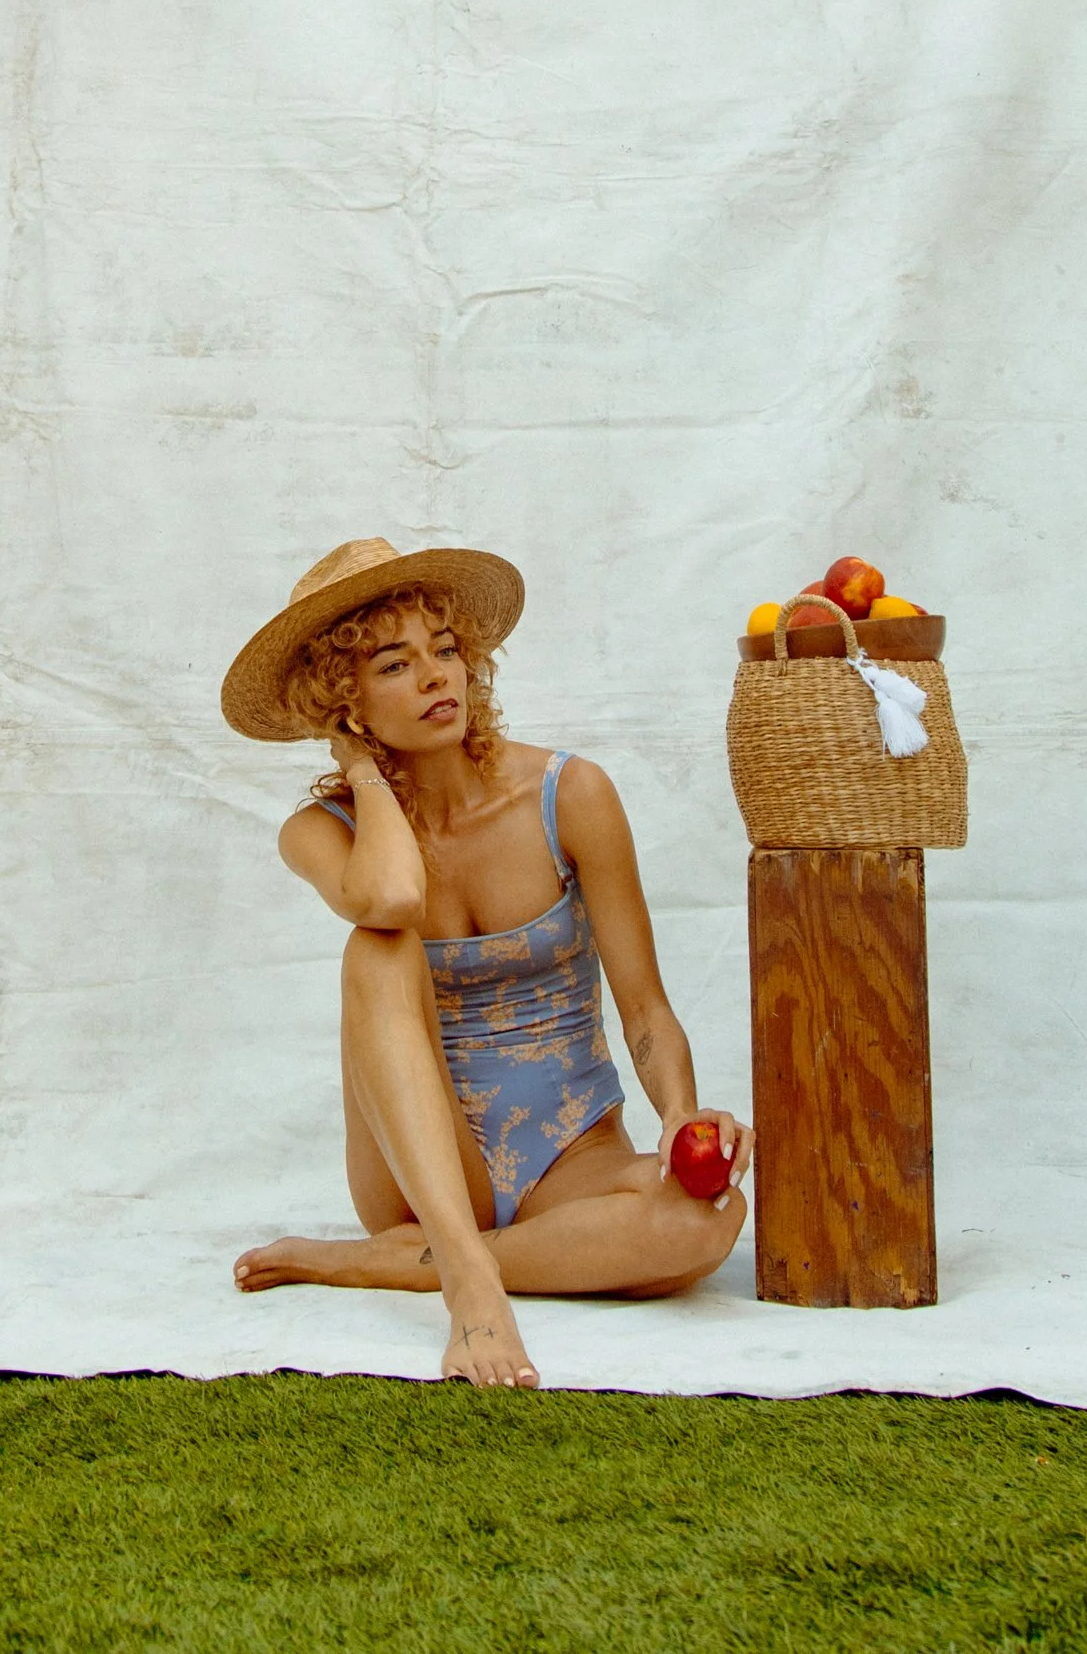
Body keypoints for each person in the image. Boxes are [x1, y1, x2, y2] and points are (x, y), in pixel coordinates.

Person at [219, 536, 754, 1390]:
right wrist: (362, 772)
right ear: (343, 703)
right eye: (394, 666)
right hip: (421, 1174)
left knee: (704, 1222)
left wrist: (681, 1120)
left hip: (572, 1157)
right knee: (377, 946)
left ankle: (383, 1264)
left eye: (444, 650)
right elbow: (392, 897)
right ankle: (467, 1278)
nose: (436, 678)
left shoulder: (569, 794)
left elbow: (644, 1006)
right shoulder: (319, 832)